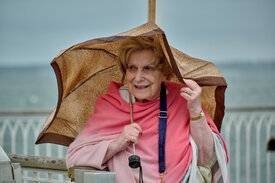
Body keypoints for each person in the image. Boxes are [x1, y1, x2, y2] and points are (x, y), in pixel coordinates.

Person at [66, 36, 228, 183]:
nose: (138, 77)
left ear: (164, 73)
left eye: (147, 69)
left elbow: (207, 157)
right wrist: (117, 144)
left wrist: (195, 111)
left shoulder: (182, 98)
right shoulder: (110, 105)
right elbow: (74, 158)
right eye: (132, 68)